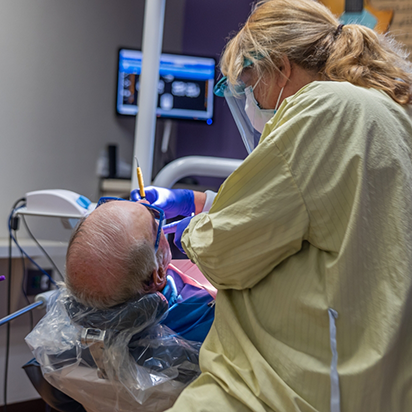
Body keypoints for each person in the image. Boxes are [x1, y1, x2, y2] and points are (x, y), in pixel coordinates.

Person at [131, 0, 412, 411]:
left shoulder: (323, 107)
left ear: (280, 67)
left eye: (248, 83)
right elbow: (323, 207)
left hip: (297, 386)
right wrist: (200, 202)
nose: (249, 101)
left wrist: (187, 232)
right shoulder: (384, 111)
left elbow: (223, 252)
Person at [65, 197, 215, 342]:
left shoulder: (96, 319)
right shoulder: (209, 312)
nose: (144, 202)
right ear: (158, 275)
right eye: (154, 225)